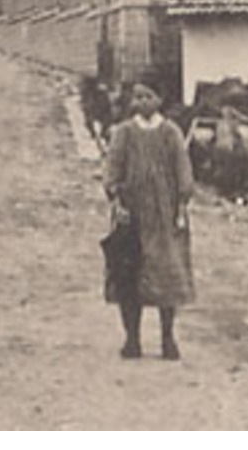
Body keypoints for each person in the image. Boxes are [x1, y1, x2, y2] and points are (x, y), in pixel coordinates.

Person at [104, 82, 194, 360]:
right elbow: (112, 170)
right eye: (138, 97)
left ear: (159, 99)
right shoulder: (124, 133)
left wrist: (180, 208)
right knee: (128, 276)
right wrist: (117, 201)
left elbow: (183, 173)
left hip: (164, 216)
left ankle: (168, 339)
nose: (142, 102)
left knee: (166, 274)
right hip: (131, 216)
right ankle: (132, 340)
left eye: (148, 96)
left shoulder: (171, 133)